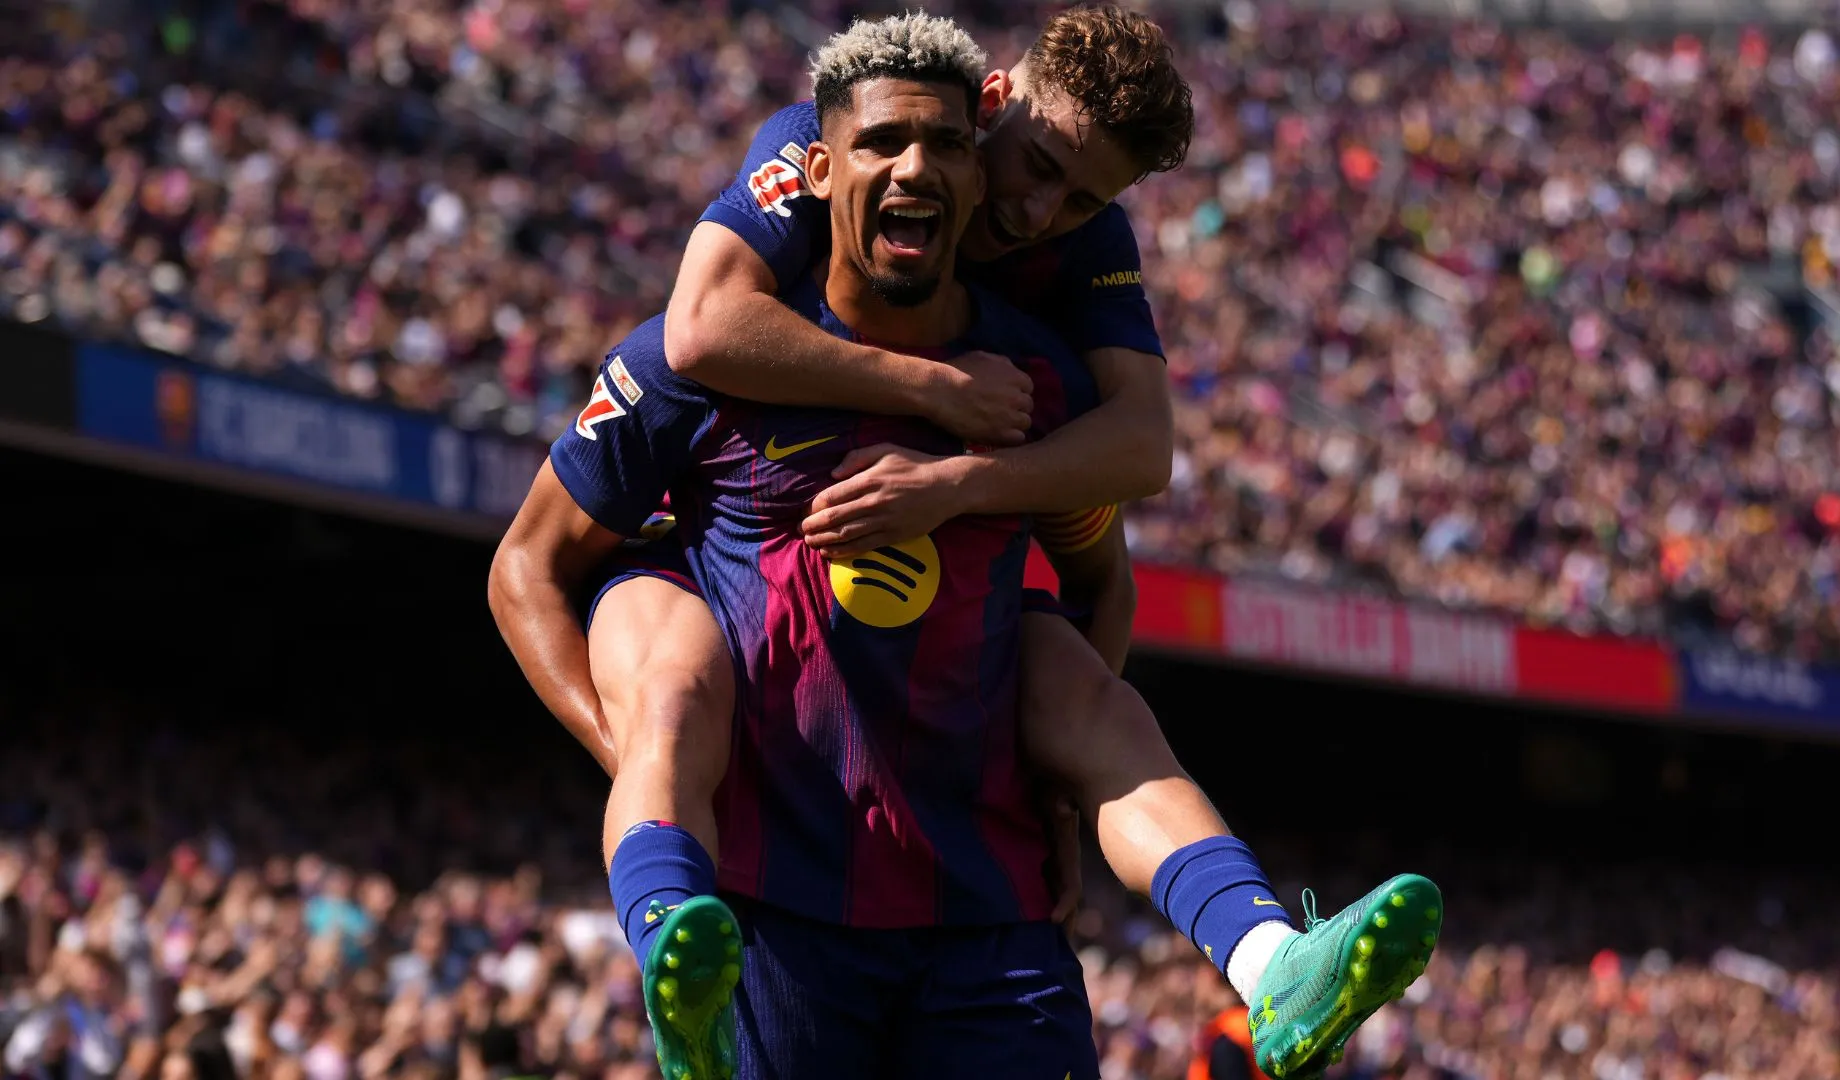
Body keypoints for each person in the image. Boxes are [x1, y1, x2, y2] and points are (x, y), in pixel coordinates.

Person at [493, 13, 1442, 1080]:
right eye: (1030, 166)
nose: (1035, 210)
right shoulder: (720, 328)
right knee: (667, 661)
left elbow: (1118, 530)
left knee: (1081, 687)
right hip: (775, 903)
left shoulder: (1042, 379)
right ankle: (669, 908)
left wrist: (960, 493)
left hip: (985, 918)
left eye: (1075, 196)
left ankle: (1272, 963)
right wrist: (649, 782)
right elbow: (678, 356)